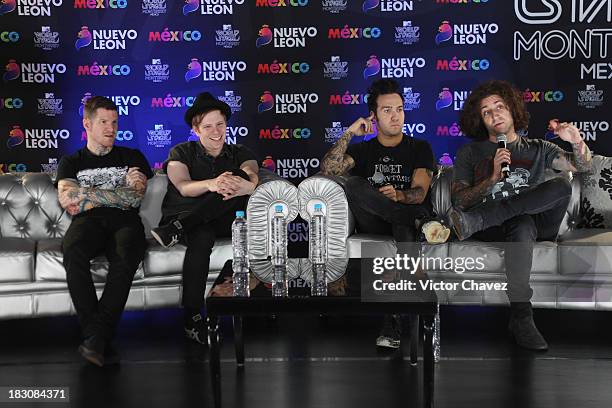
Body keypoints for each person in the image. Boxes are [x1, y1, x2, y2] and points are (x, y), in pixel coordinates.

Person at [449, 80, 592, 350]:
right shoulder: (469, 153)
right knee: (520, 223)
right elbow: (460, 199)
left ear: (512, 109)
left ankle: (482, 220)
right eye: (486, 112)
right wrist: (491, 178)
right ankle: (521, 316)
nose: (495, 115)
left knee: (562, 184)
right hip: (498, 229)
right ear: (480, 120)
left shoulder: (540, 148)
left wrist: (577, 140)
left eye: (500, 107)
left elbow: (580, 167)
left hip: (536, 223)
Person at [320, 78, 444, 348]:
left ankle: (392, 325)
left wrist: (399, 195)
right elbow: (329, 169)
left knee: (403, 222)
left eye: (399, 109)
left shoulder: (419, 147)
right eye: (387, 110)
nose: (395, 115)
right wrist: (351, 132)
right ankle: (418, 235)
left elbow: (420, 193)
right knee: (353, 183)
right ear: (373, 116)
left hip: (404, 216)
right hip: (379, 219)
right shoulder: (362, 150)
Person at [151, 92, 259, 344]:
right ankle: (192, 318)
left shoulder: (239, 151)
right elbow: (183, 187)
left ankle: (176, 229)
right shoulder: (181, 151)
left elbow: (252, 176)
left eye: (220, 124)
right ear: (196, 129)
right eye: (208, 126)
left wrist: (243, 183)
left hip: (220, 219)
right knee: (202, 235)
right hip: (186, 214)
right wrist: (213, 184)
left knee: (235, 174)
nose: (216, 131)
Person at [57, 96, 153, 366]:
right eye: (103, 122)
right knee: (73, 250)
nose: (111, 128)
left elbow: (135, 197)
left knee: (127, 253)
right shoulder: (71, 161)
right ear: (87, 124)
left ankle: (94, 339)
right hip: (87, 222)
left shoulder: (131, 156)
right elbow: (69, 201)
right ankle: (97, 336)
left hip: (125, 221)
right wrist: (115, 193)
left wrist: (87, 194)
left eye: (115, 122)